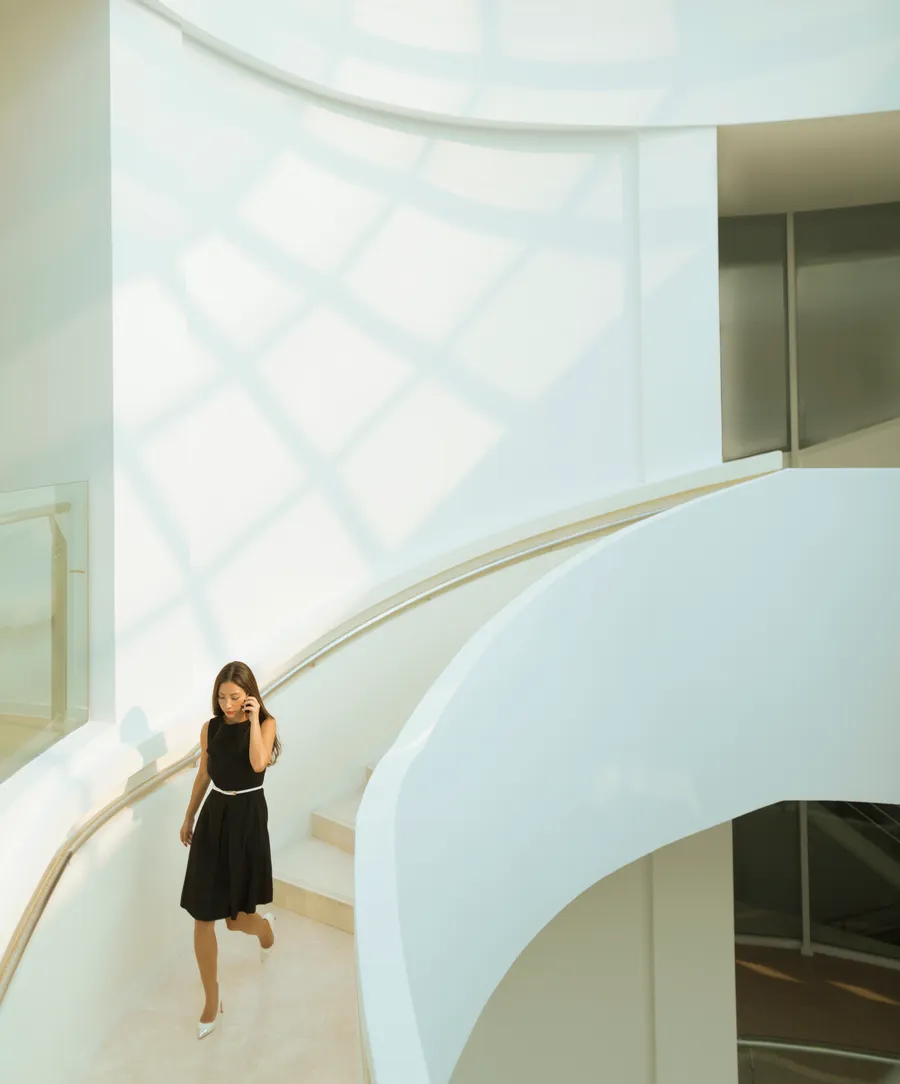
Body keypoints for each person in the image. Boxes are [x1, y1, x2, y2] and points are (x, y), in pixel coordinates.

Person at [179, 661, 282, 1039]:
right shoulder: (211, 728)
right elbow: (204, 774)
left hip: (247, 820)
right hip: (214, 817)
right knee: (202, 916)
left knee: (237, 921)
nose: (227, 704)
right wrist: (189, 815)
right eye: (222, 697)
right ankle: (212, 999)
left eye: (235, 697)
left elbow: (257, 762)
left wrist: (252, 721)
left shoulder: (266, 724)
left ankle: (265, 930)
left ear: (249, 695)